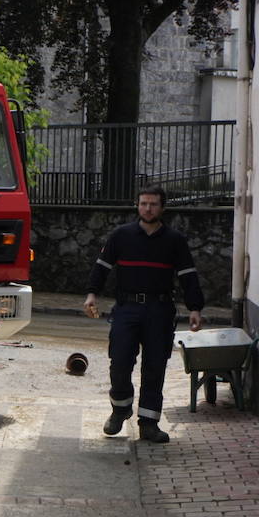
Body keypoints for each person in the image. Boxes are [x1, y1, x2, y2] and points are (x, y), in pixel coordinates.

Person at [84, 186, 204, 444]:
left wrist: (195, 308)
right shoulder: (121, 235)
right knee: (119, 361)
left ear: (162, 208)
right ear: (137, 206)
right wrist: (92, 294)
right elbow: (102, 267)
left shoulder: (174, 241)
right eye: (143, 203)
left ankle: (149, 424)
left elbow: (188, 277)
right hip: (126, 308)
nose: (147, 208)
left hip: (159, 310)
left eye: (153, 204)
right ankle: (120, 408)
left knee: (154, 368)